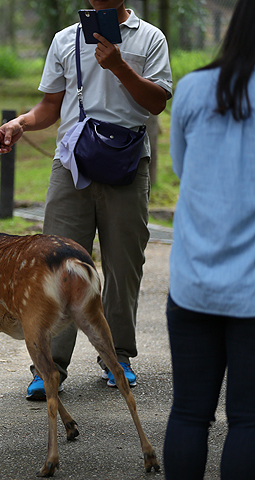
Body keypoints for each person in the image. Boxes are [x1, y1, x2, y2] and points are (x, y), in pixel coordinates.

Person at [0, 0, 172, 400]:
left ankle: (117, 357)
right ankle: (49, 366)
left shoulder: (150, 38)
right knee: (55, 265)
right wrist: (21, 123)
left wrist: (119, 65)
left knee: (124, 263)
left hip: (127, 164)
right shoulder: (65, 40)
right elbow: (49, 107)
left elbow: (157, 103)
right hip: (71, 166)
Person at [163, 0, 255, 478]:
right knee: (248, 421)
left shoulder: (195, 88)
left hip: (194, 283)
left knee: (189, 414)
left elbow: (181, 166)